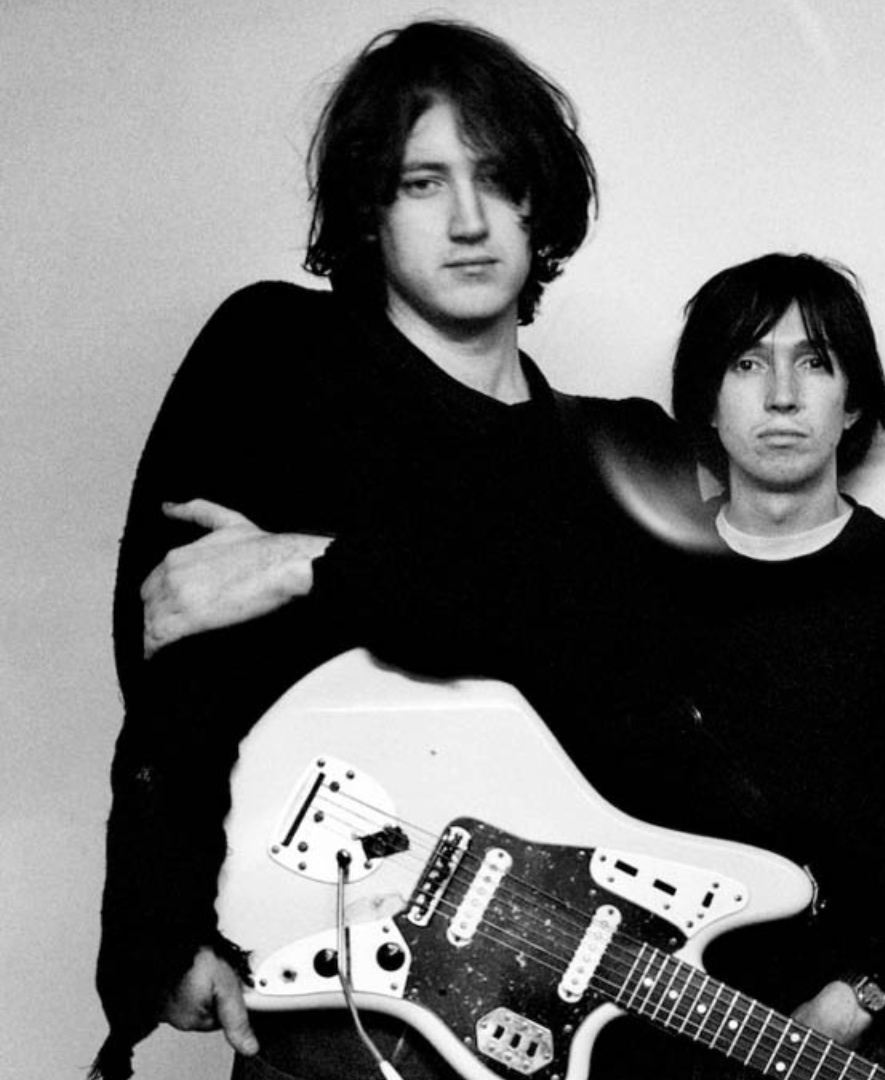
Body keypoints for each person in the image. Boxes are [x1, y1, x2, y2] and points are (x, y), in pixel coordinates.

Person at [95, 21, 699, 1080]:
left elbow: (599, 665)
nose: (470, 221)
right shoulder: (281, 354)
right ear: (371, 209)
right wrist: (167, 917)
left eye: (498, 179)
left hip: (554, 995)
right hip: (338, 978)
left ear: (538, 202)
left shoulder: (622, 445)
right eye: (424, 183)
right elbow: (171, 641)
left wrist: (308, 566)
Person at [656, 253, 885, 1077]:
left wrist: (860, 996)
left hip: (843, 1035)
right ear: (707, 395)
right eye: (747, 363)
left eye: (814, 361)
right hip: (645, 1022)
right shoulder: (640, 578)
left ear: (855, 402)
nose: (781, 395)